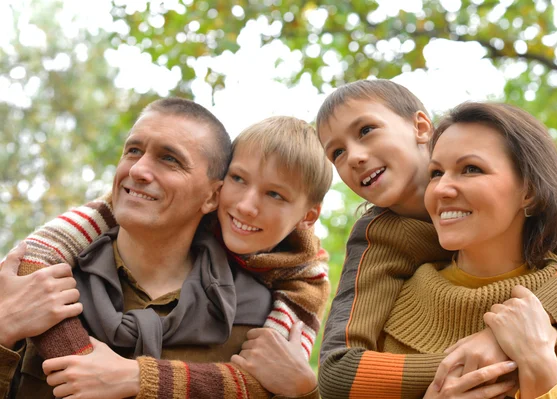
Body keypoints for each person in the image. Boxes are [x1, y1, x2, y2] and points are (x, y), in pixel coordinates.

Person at [0, 99, 332, 398]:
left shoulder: (259, 315)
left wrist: (305, 391)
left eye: (169, 159)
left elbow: (272, 382)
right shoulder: (38, 284)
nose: (138, 170)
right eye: (132, 151)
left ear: (212, 196)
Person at [316, 81, 557, 398]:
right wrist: (466, 365)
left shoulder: (521, 188)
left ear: (420, 127)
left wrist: (509, 334)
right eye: (337, 152)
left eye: (366, 130)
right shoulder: (376, 237)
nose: (353, 156)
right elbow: (337, 369)